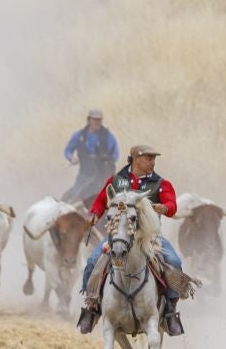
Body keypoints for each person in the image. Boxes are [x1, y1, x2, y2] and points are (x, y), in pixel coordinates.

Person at [78, 144, 191, 336]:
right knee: (92, 262)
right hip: (118, 235)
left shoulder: (160, 184)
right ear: (136, 159)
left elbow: (171, 205)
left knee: (174, 262)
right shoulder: (116, 180)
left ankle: (170, 312)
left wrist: (165, 208)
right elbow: (100, 202)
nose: (153, 162)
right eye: (149, 158)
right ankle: (92, 306)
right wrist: (94, 215)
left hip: (149, 237)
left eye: (154, 159)